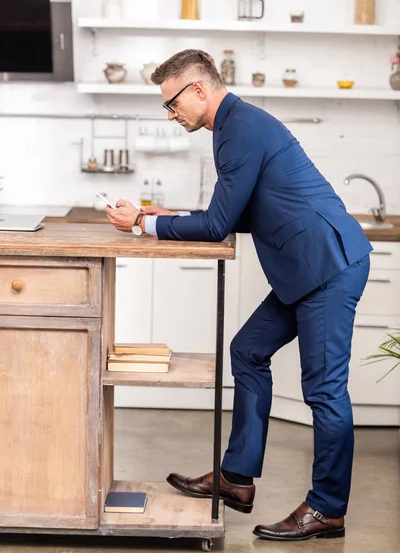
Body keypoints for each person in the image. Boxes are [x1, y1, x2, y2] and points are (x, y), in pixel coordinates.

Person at [106, 49, 372, 541]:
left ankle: (327, 508)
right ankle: (236, 478)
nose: (171, 114)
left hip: (328, 267)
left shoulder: (239, 128)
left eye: (172, 103)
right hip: (305, 270)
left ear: (199, 90)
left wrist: (145, 224)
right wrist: (168, 215)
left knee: (324, 392)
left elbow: (217, 224)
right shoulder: (233, 125)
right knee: (247, 350)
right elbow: (235, 213)